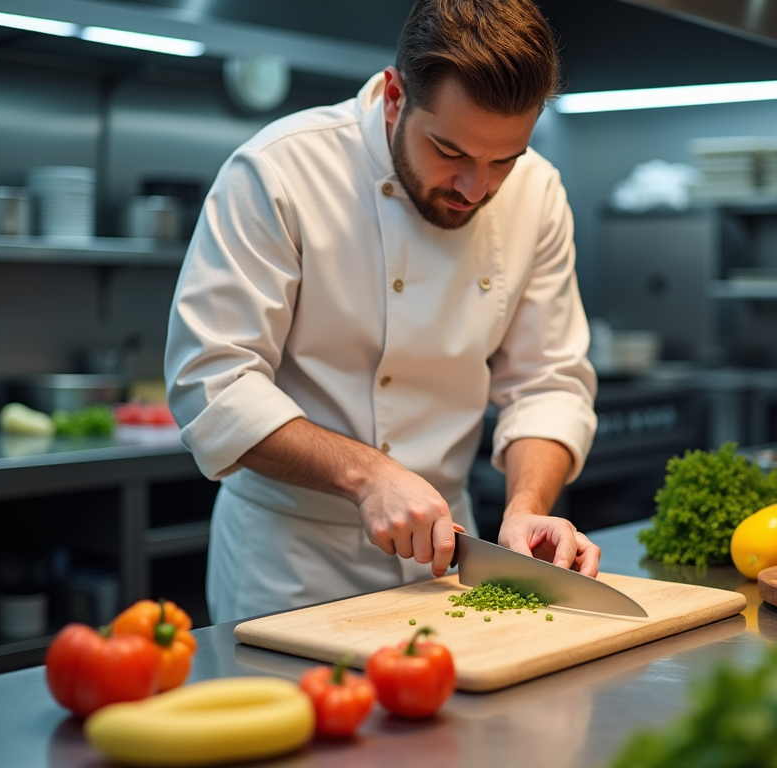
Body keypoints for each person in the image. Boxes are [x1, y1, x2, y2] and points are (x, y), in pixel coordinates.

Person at [164, 0, 600, 624]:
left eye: (504, 159)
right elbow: (211, 385)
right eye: (449, 151)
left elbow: (548, 380)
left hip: (449, 561)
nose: (476, 189)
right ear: (395, 97)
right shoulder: (279, 172)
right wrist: (368, 475)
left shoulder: (539, 193)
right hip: (291, 564)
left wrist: (526, 506)